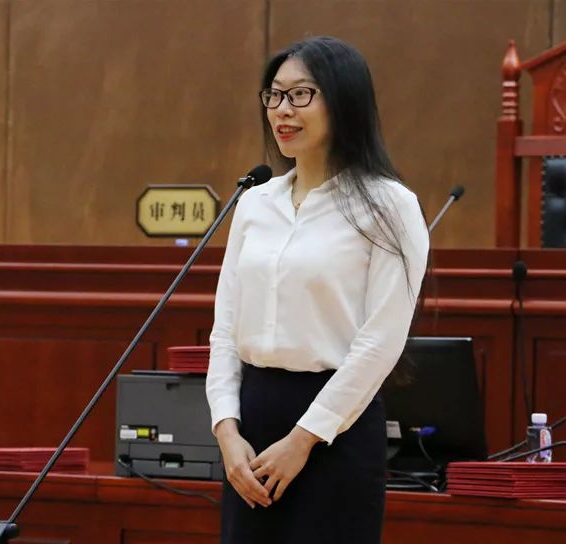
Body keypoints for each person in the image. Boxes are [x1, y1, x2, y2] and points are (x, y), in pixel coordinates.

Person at [206, 36, 430, 544]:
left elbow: (380, 342)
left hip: (335, 431)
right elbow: (225, 330)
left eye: (301, 94)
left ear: (343, 100)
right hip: (251, 427)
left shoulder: (389, 205)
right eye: (274, 95)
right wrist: (226, 430)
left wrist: (303, 440)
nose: (282, 110)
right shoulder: (255, 203)